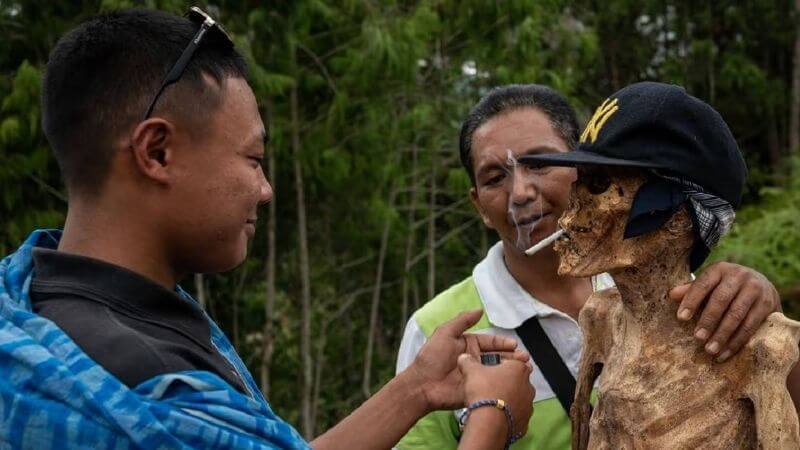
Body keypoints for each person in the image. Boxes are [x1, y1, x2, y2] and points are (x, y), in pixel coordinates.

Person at [0, 8, 533, 450]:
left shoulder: (48, 306)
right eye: (253, 159)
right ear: (157, 152)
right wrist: (491, 417)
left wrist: (418, 387)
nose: (265, 189)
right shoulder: (143, 387)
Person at [395, 84, 797, 449]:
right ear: (478, 204)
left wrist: (762, 301)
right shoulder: (437, 331)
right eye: (495, 177)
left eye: (540, 164)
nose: (520, 193)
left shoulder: (697, 307)